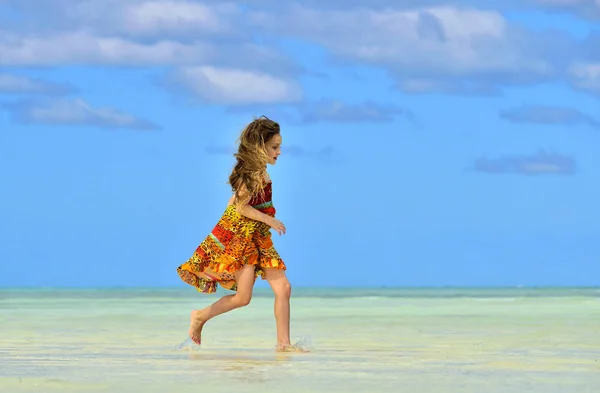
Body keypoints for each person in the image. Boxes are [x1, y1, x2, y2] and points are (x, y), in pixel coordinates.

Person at [176, 116, 301, 352]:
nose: (279, 152)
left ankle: (284, 345)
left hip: (257, 236)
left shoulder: (260, 170)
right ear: (260, 146)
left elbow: (235, 199)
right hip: (242, 239)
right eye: (275, 147)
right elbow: (240, 206)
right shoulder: (251, 172)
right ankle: (199, 317)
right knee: (243, 298)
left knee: (283, 288)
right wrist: (270, 220)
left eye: (279, 146)